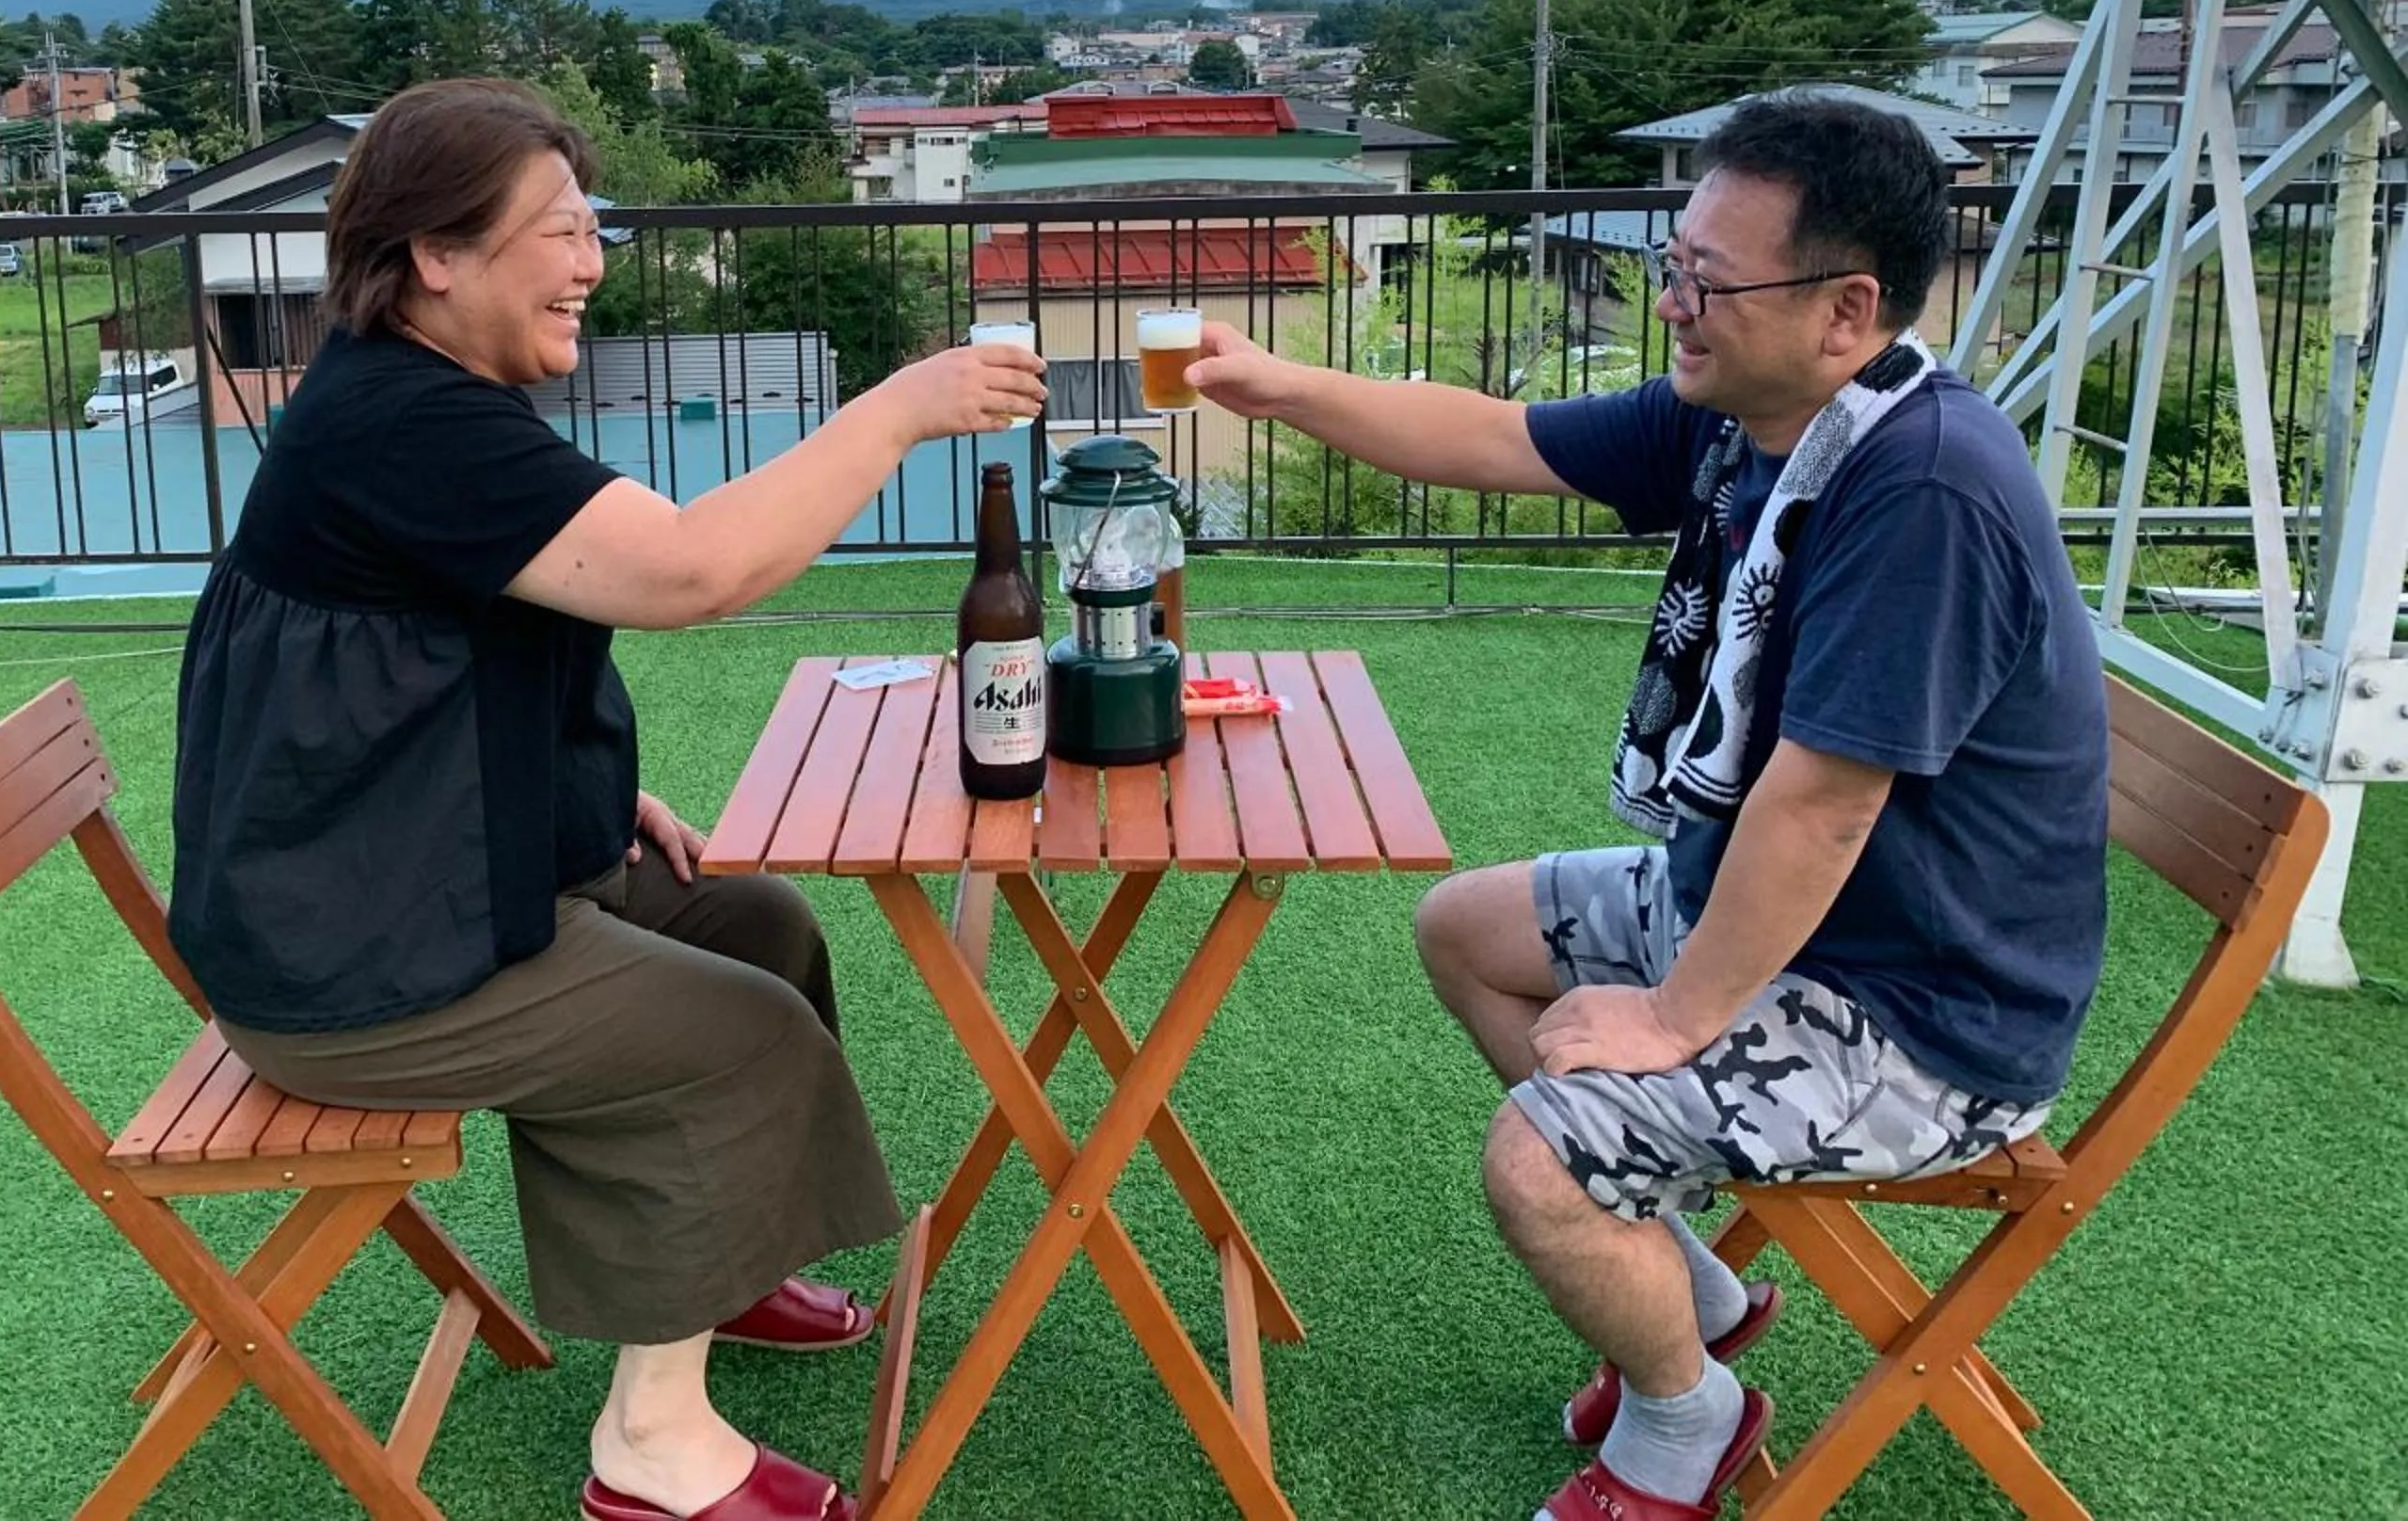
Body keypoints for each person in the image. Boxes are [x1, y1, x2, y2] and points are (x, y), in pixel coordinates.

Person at [1182, 88, 2110, 1521]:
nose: (1672, 304)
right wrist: (1278, 384)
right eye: (1674, 266)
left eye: (1706, 283)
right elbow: (1497, 436)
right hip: (1795, 920)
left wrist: (1674, 1016)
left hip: (1924, 1013)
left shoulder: (1921, 491)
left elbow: (1821, 804)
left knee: (1540, 1162)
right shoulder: (1753, 420)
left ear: (1847, 310)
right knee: (1467, 929)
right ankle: (1697, 1296)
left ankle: (1686, 1429)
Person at [168, 76, 1047, 1521]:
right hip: (356, 964)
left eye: (595, 229)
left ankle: (717, 1268)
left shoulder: (422, 399)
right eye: (558, 229)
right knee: (734, 1033)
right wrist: (899, 408)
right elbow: (691, 567)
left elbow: (432, 680)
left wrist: (591, 794)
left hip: (413, 877)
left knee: (759, 925)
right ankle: (650, 1448)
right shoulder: (407, 425)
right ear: (435, 254)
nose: (589, 262)